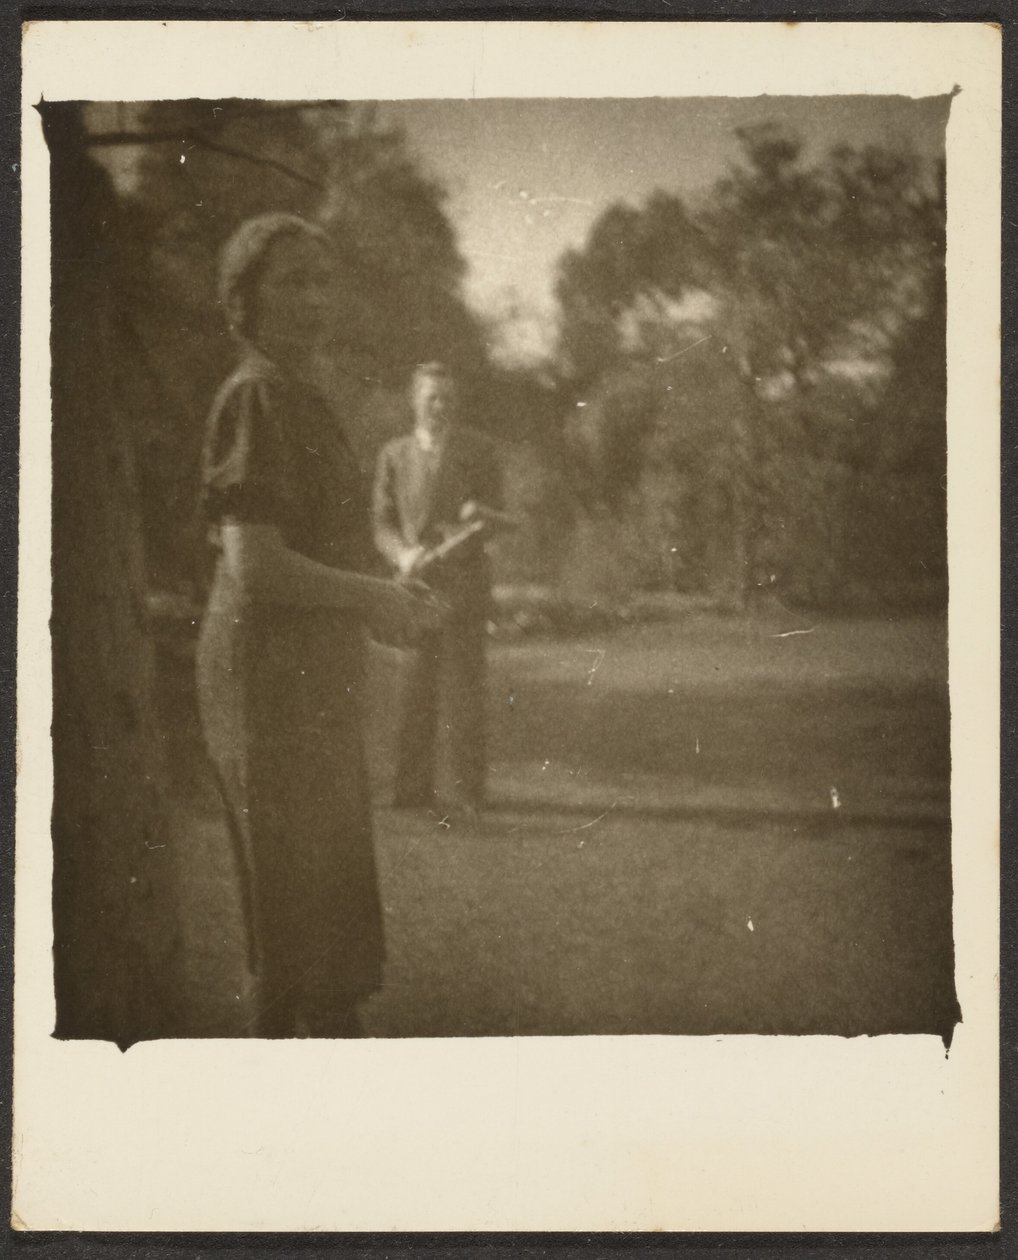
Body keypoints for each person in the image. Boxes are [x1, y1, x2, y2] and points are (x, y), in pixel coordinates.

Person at [196, 213, 441, 1038]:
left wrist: (388, 600)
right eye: (292, 281)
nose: (314, 299)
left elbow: (316, 553)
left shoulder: (299, 395)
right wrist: (370, 598)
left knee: (313, 934)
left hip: (307, 679)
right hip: (267, 686)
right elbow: (254, 566)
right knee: (299, 937)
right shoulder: (257, 395)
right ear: (245, 299)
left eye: (323, 281)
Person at [372, 362, 504, 816]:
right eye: (431, 397)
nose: (439, 407)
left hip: (463, 587)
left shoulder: (478, 451)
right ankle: (410, 792)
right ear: (414, 401)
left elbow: (496, 516)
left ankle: (467, 794)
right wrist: (401, 554)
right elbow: (382, 523)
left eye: (447, 398)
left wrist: (474, 522)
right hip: (414, 586)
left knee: (464, 691)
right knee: (412, 690)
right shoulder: (393, 454)